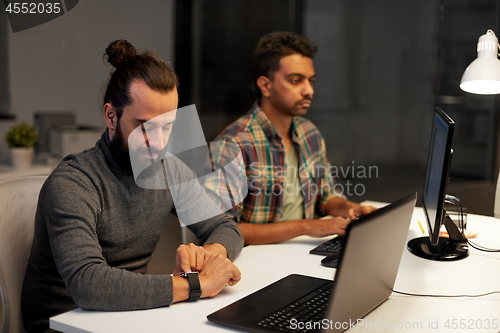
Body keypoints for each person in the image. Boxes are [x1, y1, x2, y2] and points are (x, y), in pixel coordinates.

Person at [21, 39, 243, 333]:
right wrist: (196, 284)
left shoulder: (168, 169)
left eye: (167, 126)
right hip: (66, 323)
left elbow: (227, 228)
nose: (159, 143)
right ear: (111, 116)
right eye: (145, 126)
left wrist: (208, 255)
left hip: (129, 317)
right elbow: (88, 285)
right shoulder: (73, 182)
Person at [207, 31, 375, 245]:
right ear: (266, 86)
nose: (309, 90)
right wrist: (306, 226)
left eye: (311, 81)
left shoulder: (309, 133)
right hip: (259, 260)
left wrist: (350, 208)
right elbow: (223, 230)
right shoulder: (232, 144)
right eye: (295, 80)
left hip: (304, 249)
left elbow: (326, 196)